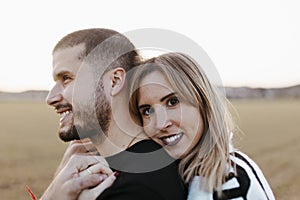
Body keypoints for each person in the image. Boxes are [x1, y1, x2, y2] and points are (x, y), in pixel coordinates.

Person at [41, 28, 187, 200]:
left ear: (114, 81)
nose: (51, 98)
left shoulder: (137, 187)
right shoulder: (93, 170)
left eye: (66, 78)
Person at [128, 52, 275, 199]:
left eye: (172, 102)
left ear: (203, 102)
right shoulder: (181, 174)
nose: (161, 124)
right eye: (148, 111)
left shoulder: (229, 181)